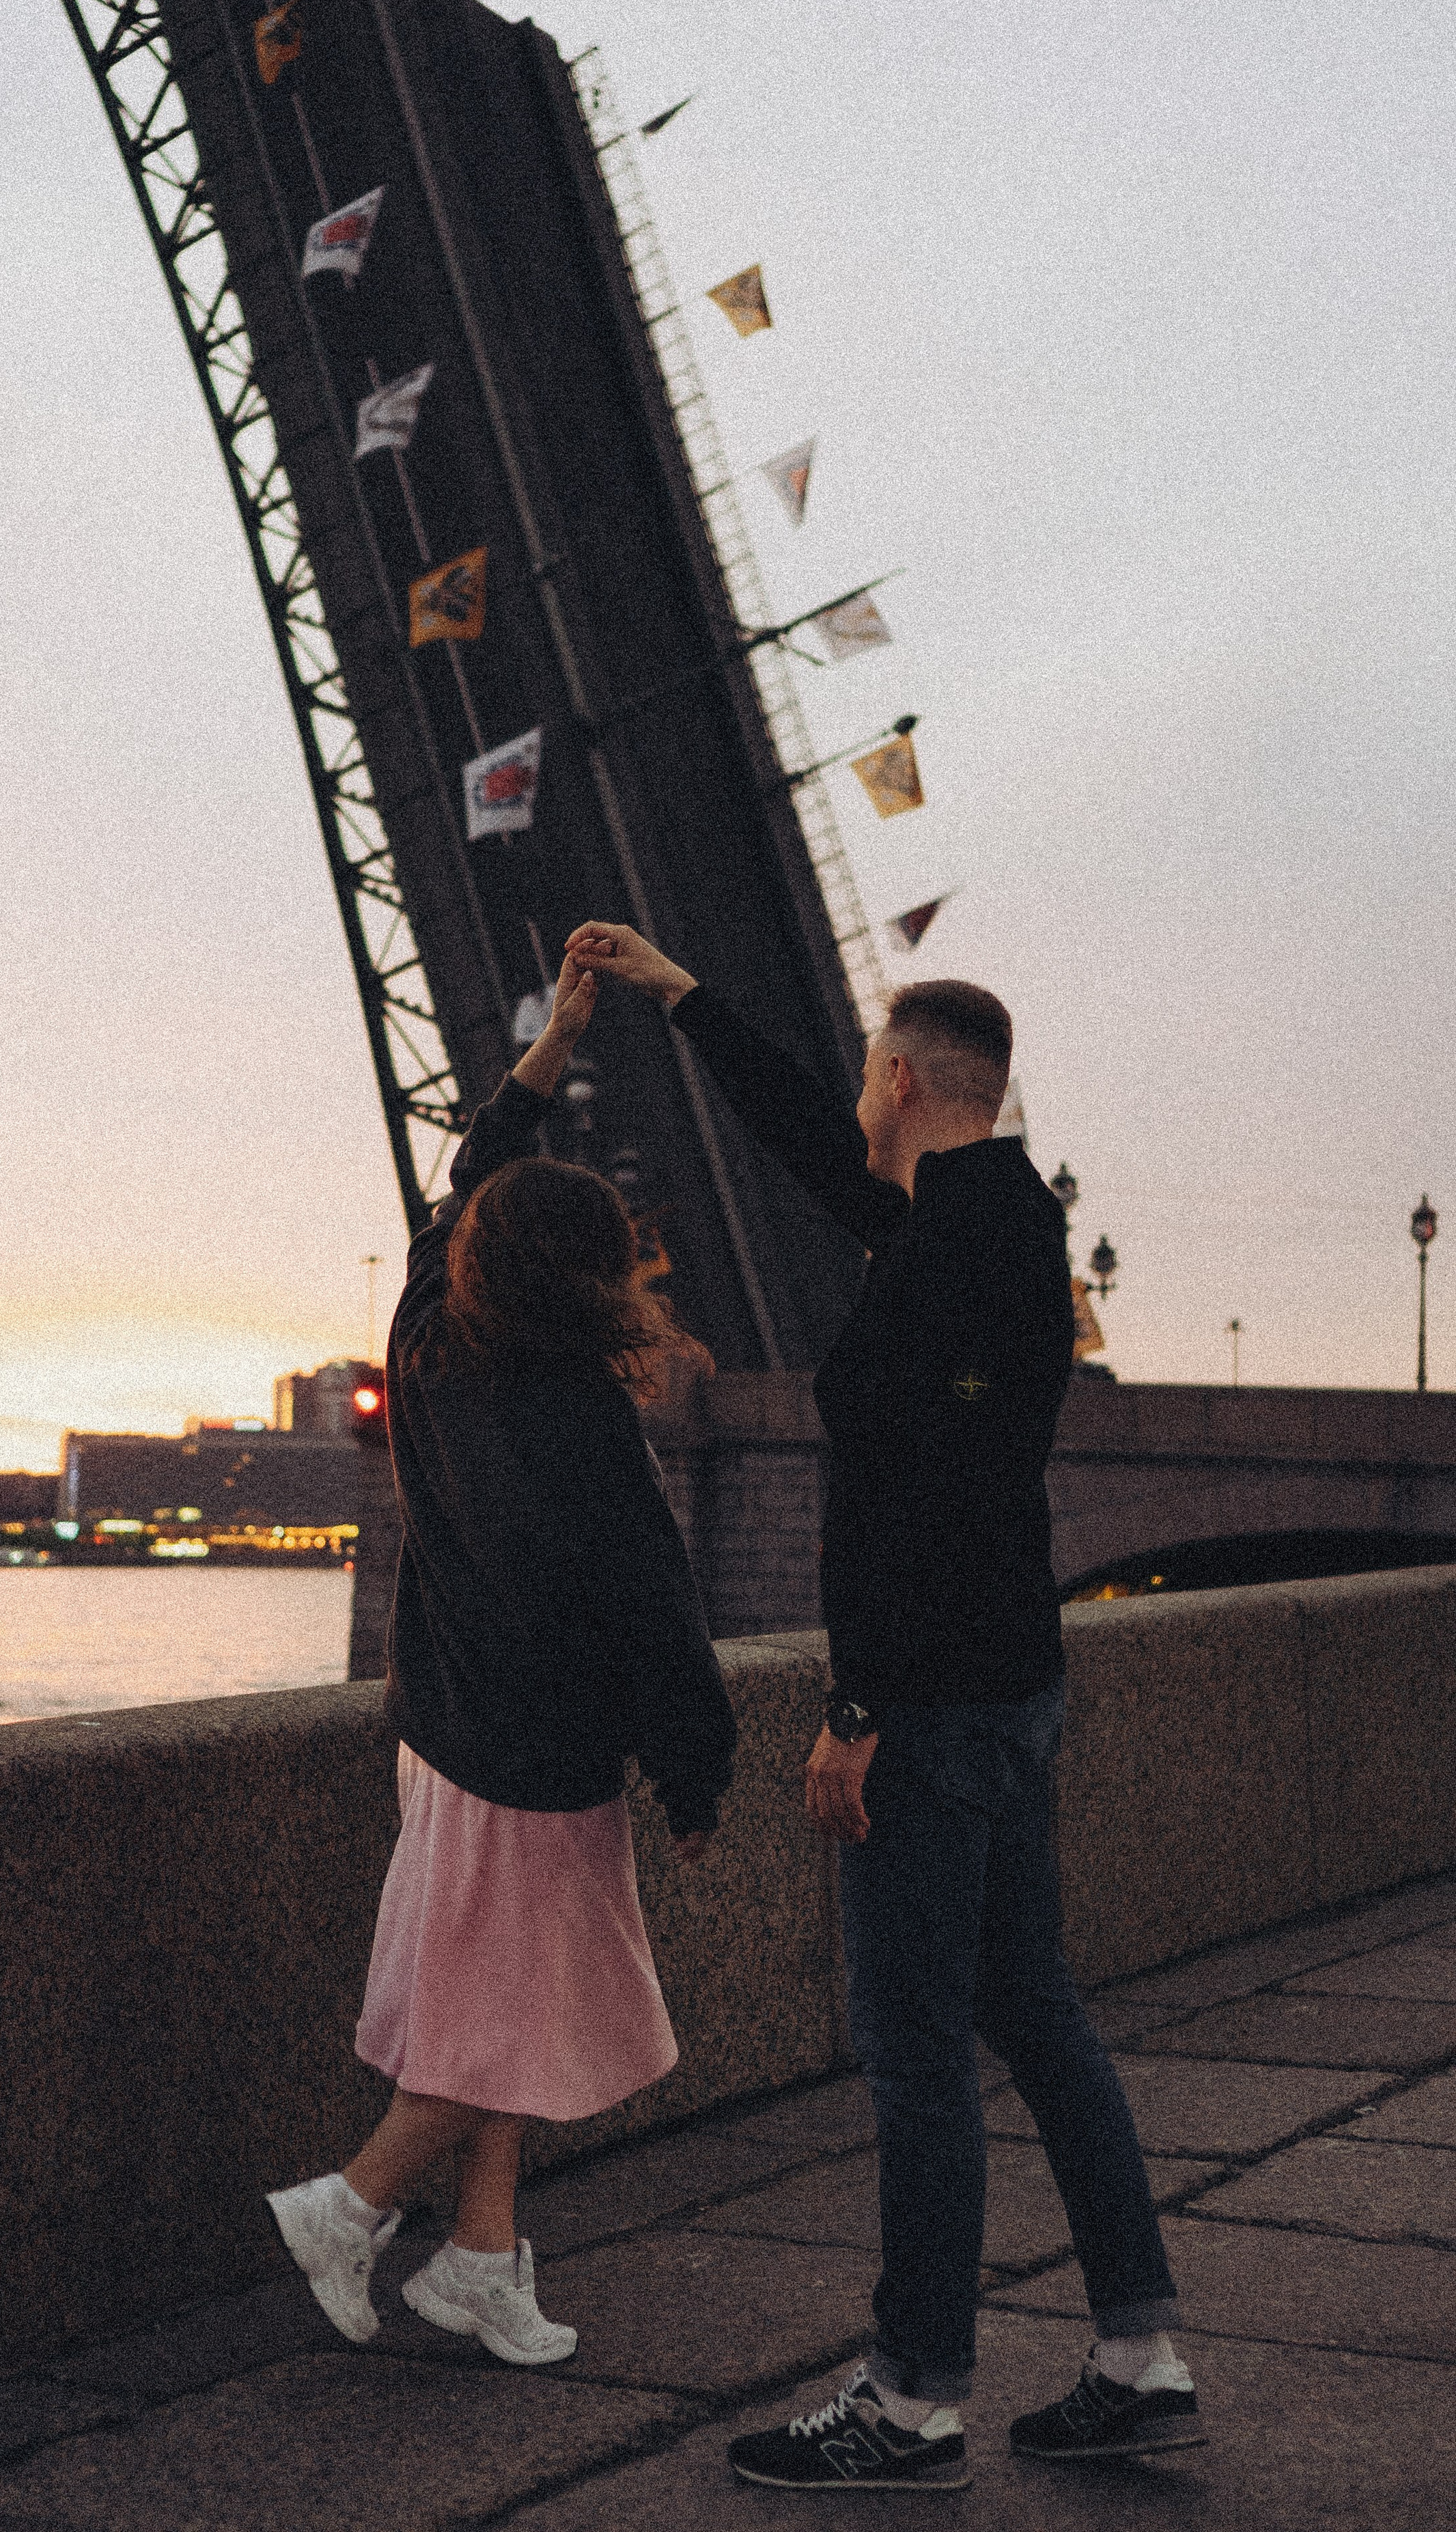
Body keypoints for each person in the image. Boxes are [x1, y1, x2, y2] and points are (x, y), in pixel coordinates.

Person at [567, 923, 1202, 2491]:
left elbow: (925, 1505)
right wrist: (685, 992)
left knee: (913, 2053)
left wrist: (855, 1710)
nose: (854, 1095)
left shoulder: (949, 1257)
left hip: (929, 1705)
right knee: (1038, 2016)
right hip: (1006, 1684)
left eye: (867, 1071)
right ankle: (1137, 2354)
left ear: (907, 1079)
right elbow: (805, 1149)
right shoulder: (989, 1227)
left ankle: (911, 2398)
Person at [266, 950, 737, 2366]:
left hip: (442, 1731)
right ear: (595, 1278)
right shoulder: (582, 1423)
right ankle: (347, 2209)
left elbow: (466, 1178)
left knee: (502, 2000)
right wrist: (700, 1772)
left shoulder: (422, 1335)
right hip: (537, 1763)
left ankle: (479, 2258)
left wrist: (546, 1055)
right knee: (504, 2017)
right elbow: (656, 1615)